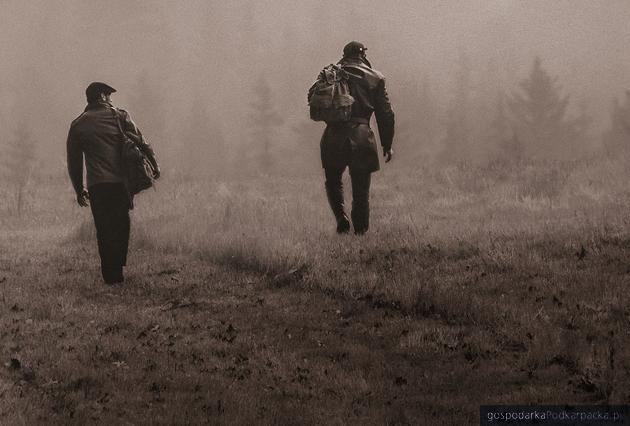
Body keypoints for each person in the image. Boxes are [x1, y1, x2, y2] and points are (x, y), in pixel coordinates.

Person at [66, 82, 159, 284]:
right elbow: (142, 141)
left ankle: (110, 273)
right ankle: (117, 268)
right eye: (108, 95)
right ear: (101, 96)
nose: (111, 99)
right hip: (120, 183)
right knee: (121, 223)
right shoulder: (120, 116)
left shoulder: (78, 125)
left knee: (103, 228)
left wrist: (79, 189)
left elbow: (74, 162)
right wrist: (154, 164)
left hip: (96, 185)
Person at [311, 41, 395, 234]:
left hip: (333, 135)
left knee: (333, 181)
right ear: (363, 54)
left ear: (345, 54)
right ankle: (360, 232)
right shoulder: (376, 78)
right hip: (362, 136)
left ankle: (341, 217)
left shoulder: (332, 74)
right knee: (361, 188)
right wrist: (387, 144)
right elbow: (386, 114)